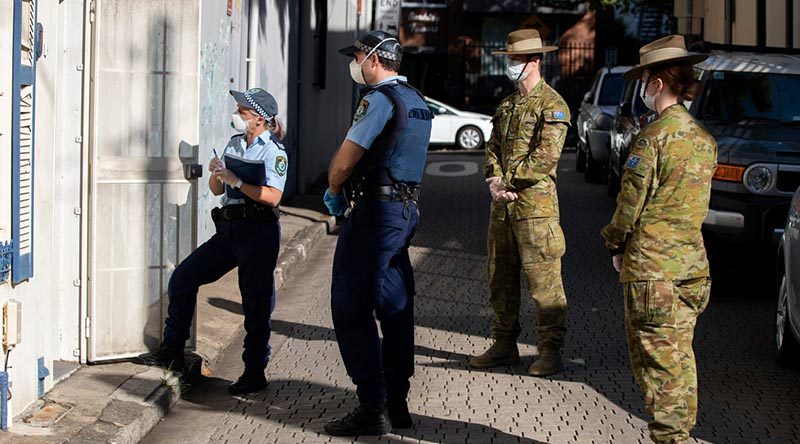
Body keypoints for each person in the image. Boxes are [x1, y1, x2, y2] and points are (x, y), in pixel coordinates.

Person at [600, 35, 716, 444]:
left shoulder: (652, 138)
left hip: (653, 271)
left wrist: (614, 244)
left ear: (659, 81)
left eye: (645, 77)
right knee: (680, 359)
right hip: (691, 269)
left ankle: (672, 439)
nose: (643, 86)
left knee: (656, 366)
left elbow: (629, 206)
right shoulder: (703, 139)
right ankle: (680, 433)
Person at [138, 88, 288, 396]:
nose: (236, 114)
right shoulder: (234, 143)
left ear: (258, 118)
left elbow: (273, 197)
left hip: (258, 231)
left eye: (242, 111)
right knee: (183, 278)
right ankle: (172, 351)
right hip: (229, 230)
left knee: (255, 303)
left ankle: (254, 371)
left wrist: (238, 181)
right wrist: (218, 174)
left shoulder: (274, 151)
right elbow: (217, 190)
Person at [322, 30, 432, 436]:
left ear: (373, 58)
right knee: (393, 303)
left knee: (350, 304)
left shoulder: (378, 100)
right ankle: (397, 401)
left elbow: (347, 158)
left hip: (374, 214)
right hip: (404, 211)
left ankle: (372, 405)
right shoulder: (417, 101)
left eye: (357, 56)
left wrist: (333, 190)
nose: (355, 64)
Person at [469, 29, 571, 377]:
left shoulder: (553, 104)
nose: (510, 65)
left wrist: (508, 182)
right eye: (509, 59)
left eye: (516, 59)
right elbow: (492, 147)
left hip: (535, 211)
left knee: (544, 283)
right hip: (502, 208)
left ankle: (550, 350)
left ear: (535, 61)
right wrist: (494, 181)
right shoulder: (507, 105)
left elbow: (546, 157)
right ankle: (504, 344)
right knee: (501, 278)